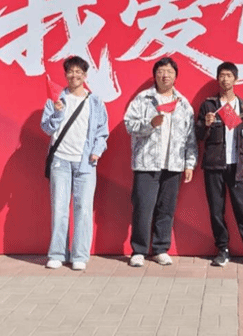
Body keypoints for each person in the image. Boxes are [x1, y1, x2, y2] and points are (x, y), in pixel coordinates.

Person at [124, 57, 197, 267]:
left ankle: (160, 249)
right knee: (143, 208)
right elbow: (129, 124)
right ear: (155, 75)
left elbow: (190, 137)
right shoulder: (143, 99)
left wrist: (189, 163)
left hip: (173, 164)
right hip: (147, 164)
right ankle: (139, 250)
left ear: (175, 76)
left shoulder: (183, 104)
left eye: (169, 72)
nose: (165, 75)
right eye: (161, 72)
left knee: (166, 209)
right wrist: (150, 124)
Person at [196, 62, 243, 270]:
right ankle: (222, 249)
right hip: (214, 166)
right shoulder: (209, 105)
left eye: (229, 75)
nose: (225, 79)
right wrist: (205, 124)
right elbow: (198, 135)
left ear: (236, 79)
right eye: (222, 75)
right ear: (217, 78)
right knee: (216, 210)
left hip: (237, 166)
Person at [41, 55, 109, 271]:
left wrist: (96, 152)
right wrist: (57, 113)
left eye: (79, 72)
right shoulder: (55, 99)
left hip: (85, 163)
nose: (74, 75)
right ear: (65, 74)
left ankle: (80, 255)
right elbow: (46, 128)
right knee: (59, 208)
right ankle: (57, 254)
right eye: (70, 71)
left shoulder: (95, 101)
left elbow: (102, 131)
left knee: (83, 209)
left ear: (85, 75)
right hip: (60, 160)